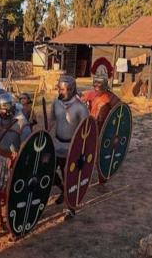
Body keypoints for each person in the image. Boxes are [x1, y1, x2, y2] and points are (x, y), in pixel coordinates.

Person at [0, 92, 31, 235]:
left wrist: (19, 154)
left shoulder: (22, 123)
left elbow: (27, 146)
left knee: (12, 194)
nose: (1, 112)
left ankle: (14, 223)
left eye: (3, 109)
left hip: (14, 162)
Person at [49, 75, 89, 215]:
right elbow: (51, 121)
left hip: (72, 148)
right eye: (59, 89)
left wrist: (82, 152)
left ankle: (70, 207)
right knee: (50, 172)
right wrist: (44, 135)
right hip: (57, 144)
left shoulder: (80, 108)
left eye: (64, 90)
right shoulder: (56, 103)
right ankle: (62, 190)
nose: (61, 92)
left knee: (70, 178)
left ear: (72, 90)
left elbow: (86, 131)